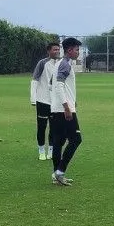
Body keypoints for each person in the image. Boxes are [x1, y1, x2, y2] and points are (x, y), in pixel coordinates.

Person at [49, 37, 83, 186]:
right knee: (76, 139)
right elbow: (58, 85)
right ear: (69, 50)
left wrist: (70, 99)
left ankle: (56, 175)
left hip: (56, 108)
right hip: (64, 110)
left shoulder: (59, 63)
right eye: (77, 49)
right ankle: (60, 171)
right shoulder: (64, 64)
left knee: (58, 142)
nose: (78, 52)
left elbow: (52, 84)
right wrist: (67, 106)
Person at [30, 42, 60, 161]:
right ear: (49, 51)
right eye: (54, 49)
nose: (57, 51)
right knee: (42, 127)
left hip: (55, 102)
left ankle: (51, 151)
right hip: (42, 100)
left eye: (58, 49)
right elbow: (34, 80)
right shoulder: (42, 63)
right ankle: (41, 151)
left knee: (54, 128)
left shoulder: (60, 64)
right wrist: (33, 99)